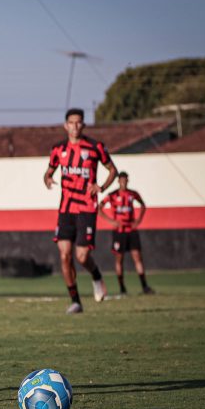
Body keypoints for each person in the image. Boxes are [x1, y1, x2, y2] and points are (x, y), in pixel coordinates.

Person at [43, 109, 117, 314]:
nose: (75, 126)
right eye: (71, 122)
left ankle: (96, 276)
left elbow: (113, 170)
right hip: (66, 209)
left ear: (83, 125)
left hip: (86, 208)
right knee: (64, 255)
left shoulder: (95, 147)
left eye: (78, 122)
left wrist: (101, 187)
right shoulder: (58, 149)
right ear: (65, 125)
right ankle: (75, 301)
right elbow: (48, 172)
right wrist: (47, 179)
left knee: (82, 257)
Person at [99, 171, 155, 295]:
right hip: (119, 232)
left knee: (137, 257)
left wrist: (138, 220)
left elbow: (142, 205)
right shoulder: (112, 195)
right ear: (118, 181)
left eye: (125, 180)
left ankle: (145, 286)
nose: (123, 182)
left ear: (128, 181)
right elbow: (99, 207)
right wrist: (111, 221)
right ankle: (122, 288)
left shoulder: (132, 194)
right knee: (119, 259)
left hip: (131, 230)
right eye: (122, 180)